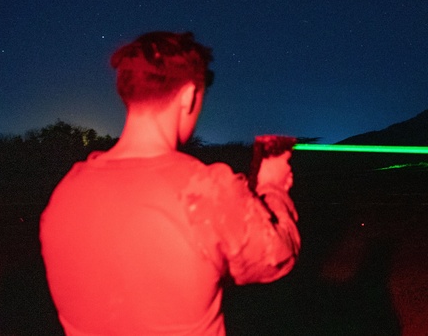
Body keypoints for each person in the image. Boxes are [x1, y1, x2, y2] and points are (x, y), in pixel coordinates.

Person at [40, 31, 300, 336]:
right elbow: (275, 258)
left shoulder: (66, 192)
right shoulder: (206, 189)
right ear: (189, 96)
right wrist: (273, 187)